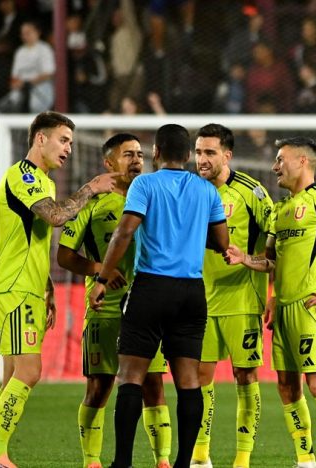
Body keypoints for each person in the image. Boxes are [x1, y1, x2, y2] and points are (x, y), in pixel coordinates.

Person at [0, 111, 119, 467]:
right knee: (29, 372)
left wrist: (47, 287)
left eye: (71, 142)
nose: (69, 148)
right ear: (40, 139)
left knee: (14, 375)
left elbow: (29, 239)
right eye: (63, 139)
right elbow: (56, 217)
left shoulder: (42, 181)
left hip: (25, 287)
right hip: (13, 289)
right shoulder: (24, 175)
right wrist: (91, 188)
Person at [87, 124, 229, 468]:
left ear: (156, 153)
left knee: (131, 377)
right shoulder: (207, 190)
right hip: (192, 292)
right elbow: (222, 243)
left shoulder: (145, 184)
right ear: (188, 155)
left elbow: (124, 232)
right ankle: (183, 464)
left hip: (151, 287)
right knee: (188, 380)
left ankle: (122, 462)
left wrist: (103, 277)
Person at [225, 137, 316, 468]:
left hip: (311, 307)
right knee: (287, 387)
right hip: (283, 308)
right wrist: (245, 260)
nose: (275, 167)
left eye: (280, 160)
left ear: (302, 161)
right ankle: (305, 460)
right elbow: (271, 261)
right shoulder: (279, 211)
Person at [57, 133, 172, 468]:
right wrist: (100, 270)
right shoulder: (93, 205)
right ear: (108, 163)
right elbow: (65, 256)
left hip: (149, 308)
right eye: (127, 155)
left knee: (153, 385)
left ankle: (162, 461)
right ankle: (91, 462)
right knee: (99, 387)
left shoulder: (156, 196)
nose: (136, 160)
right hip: (104, 308)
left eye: (139, 154)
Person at [189, 124, 274, 468]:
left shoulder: (252, 193)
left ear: (227, 155)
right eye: (198, 152)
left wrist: (274, 293)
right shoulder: (189, 191)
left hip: (242, 299)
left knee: (245, 376)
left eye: (210, 152)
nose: (202, 159)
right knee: (199, 377)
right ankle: (199, 456)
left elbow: (276, 247)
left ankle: (242, 458)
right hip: (199, 300)